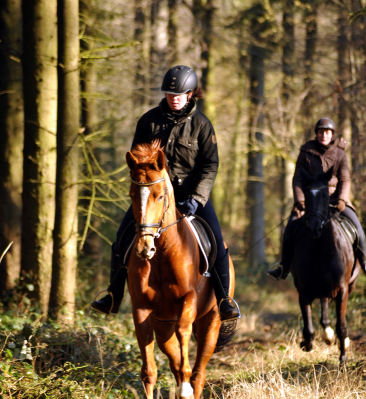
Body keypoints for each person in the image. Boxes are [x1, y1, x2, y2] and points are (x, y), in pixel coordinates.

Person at [92, 65, 240, 321]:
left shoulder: (202, 125)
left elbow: (210, 165)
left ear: (191, 94)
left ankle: (225, 299)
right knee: (122, 238)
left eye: (179, 94)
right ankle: (112, 295)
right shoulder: (148, 121)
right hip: (153, 197)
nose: (174, 98)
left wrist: (197, 198)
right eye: (170, 94)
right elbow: (136, 159)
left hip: (192, 196)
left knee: (216, 241)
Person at [268, 117, 366, 280]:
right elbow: (298, 178)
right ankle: (284, 268)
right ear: (317, 134)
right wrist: (300, 201)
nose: (324, 135)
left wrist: (342, 199)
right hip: (310, 202)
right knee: (289, 230)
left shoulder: (340, 153)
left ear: (332, 134)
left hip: (335, 201)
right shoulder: (305, 152)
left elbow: (345, 179)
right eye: (321, 132)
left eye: (327, 132)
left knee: (358, 230)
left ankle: (364, 262)